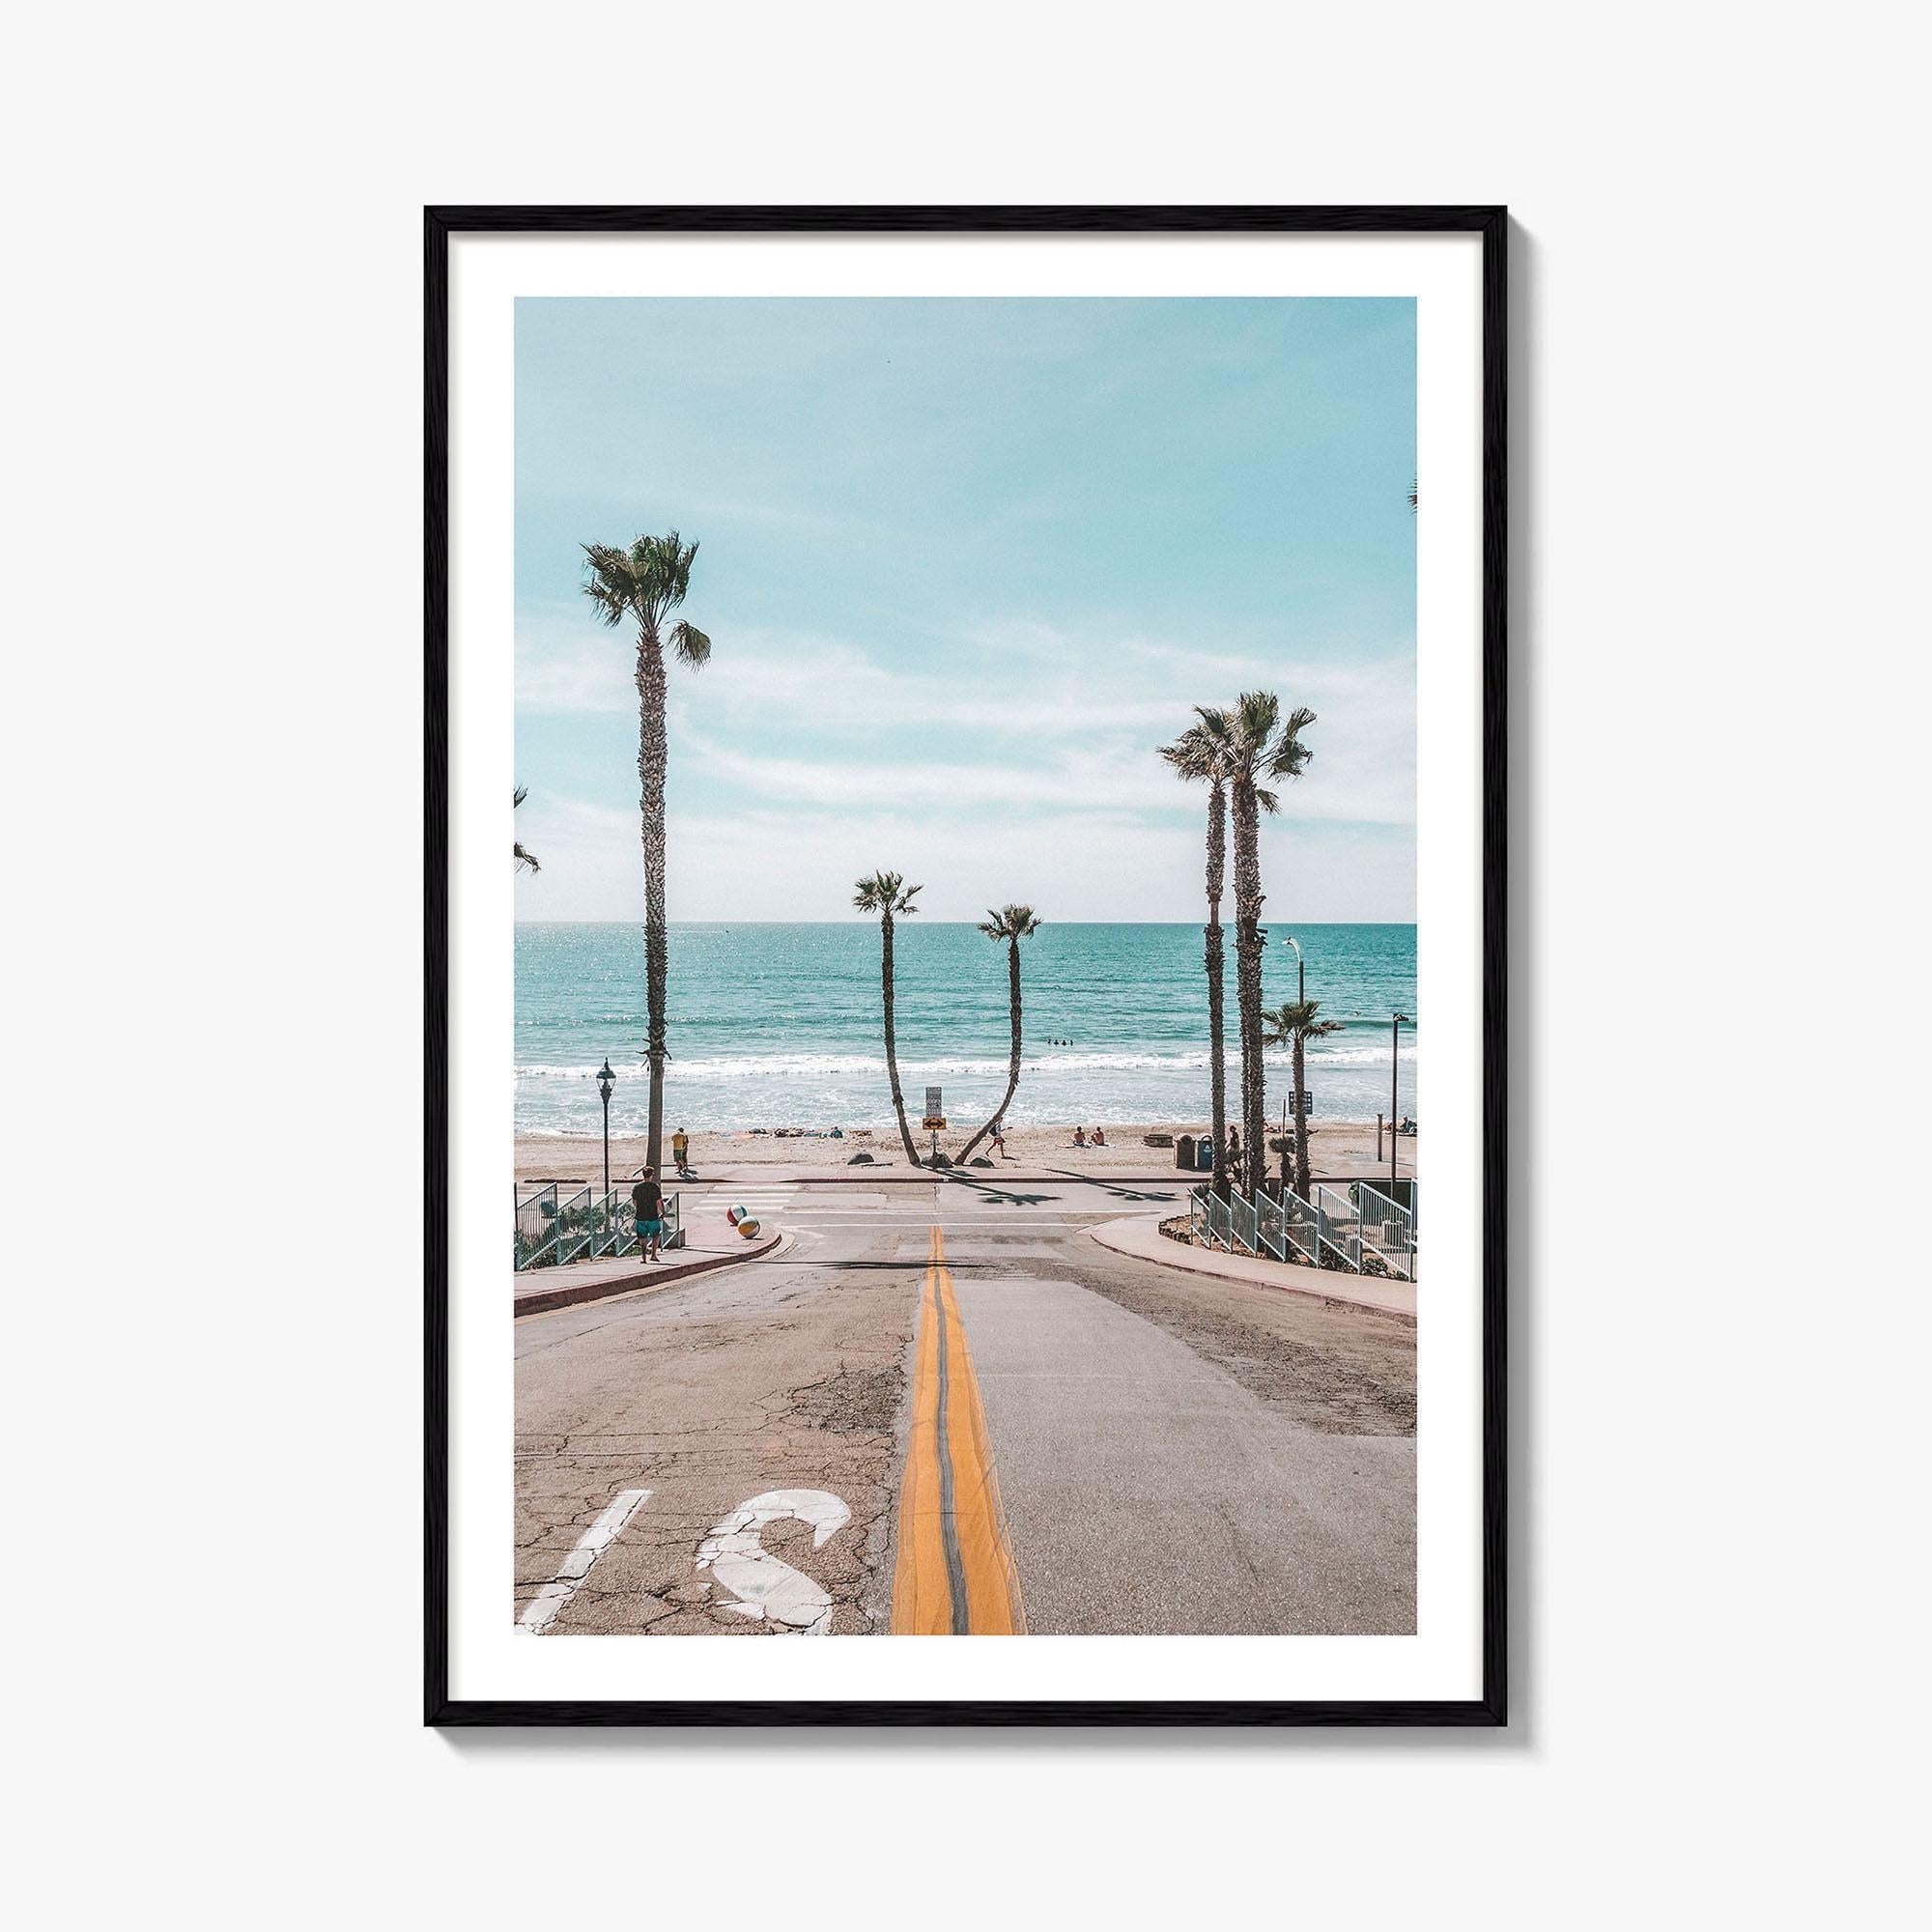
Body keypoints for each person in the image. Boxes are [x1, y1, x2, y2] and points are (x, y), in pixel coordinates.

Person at [631, 1166, 666, 1263]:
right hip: (652, 1215)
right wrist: (663, 1212)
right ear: (651, 1175)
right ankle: (653, 1255)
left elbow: (634, 1202)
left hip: (640, 1215)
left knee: (642, 1237)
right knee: (655, 1235)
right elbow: (659, 1201)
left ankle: (643, 1256)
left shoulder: (637, 1187)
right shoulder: (654, 1187)